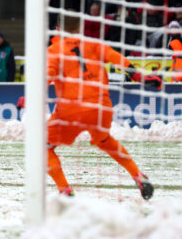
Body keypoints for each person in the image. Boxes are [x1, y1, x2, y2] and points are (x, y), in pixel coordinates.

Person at [43, 14, 161, 198]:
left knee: (43, 146)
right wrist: (139, 76)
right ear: (81, 28)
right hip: (100, 107)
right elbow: (117, 58)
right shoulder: (95, 45)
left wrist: (30, 97)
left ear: (57, 29)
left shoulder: (54, 50)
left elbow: (47, 76)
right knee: (105, 140)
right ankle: (138, 176)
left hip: (70, 110)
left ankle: (64, 189)